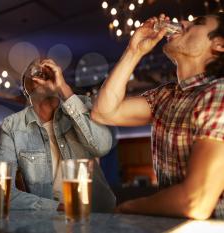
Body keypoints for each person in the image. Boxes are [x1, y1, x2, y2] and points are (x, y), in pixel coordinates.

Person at [91, 13, 224, 219]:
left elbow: (195, 201)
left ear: (219, 45)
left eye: (197, 23)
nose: (183, 22)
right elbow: (104, 112)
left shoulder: (219, 93)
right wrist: (134, 51)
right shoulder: (166, 96)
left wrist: (126, 208)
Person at [0, 58, 116, 212]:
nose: (42, 70)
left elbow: (103, 147)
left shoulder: (80, 104)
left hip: (97, 216)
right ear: (25, 88)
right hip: (48, 220)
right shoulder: (12, 125)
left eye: (47, 68)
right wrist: (56, 208)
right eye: (34, 69)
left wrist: (63, 87)